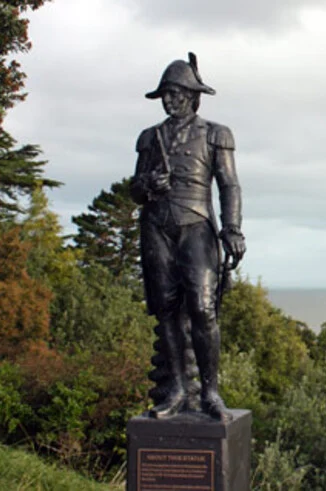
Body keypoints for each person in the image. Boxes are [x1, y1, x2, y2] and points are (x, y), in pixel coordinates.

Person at [130, 53, 245, 420]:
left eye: (177, 93)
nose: (170, 100)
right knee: (165, 310)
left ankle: (209, 392)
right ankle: (177, 389)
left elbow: (229, 185)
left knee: (202, 307)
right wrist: (148, 184)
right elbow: (134, 189)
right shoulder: (150, 138)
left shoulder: (215, 134)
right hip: (156, 227)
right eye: (166, 93)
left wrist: (232, 229)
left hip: (196, 224)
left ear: (194, 96)